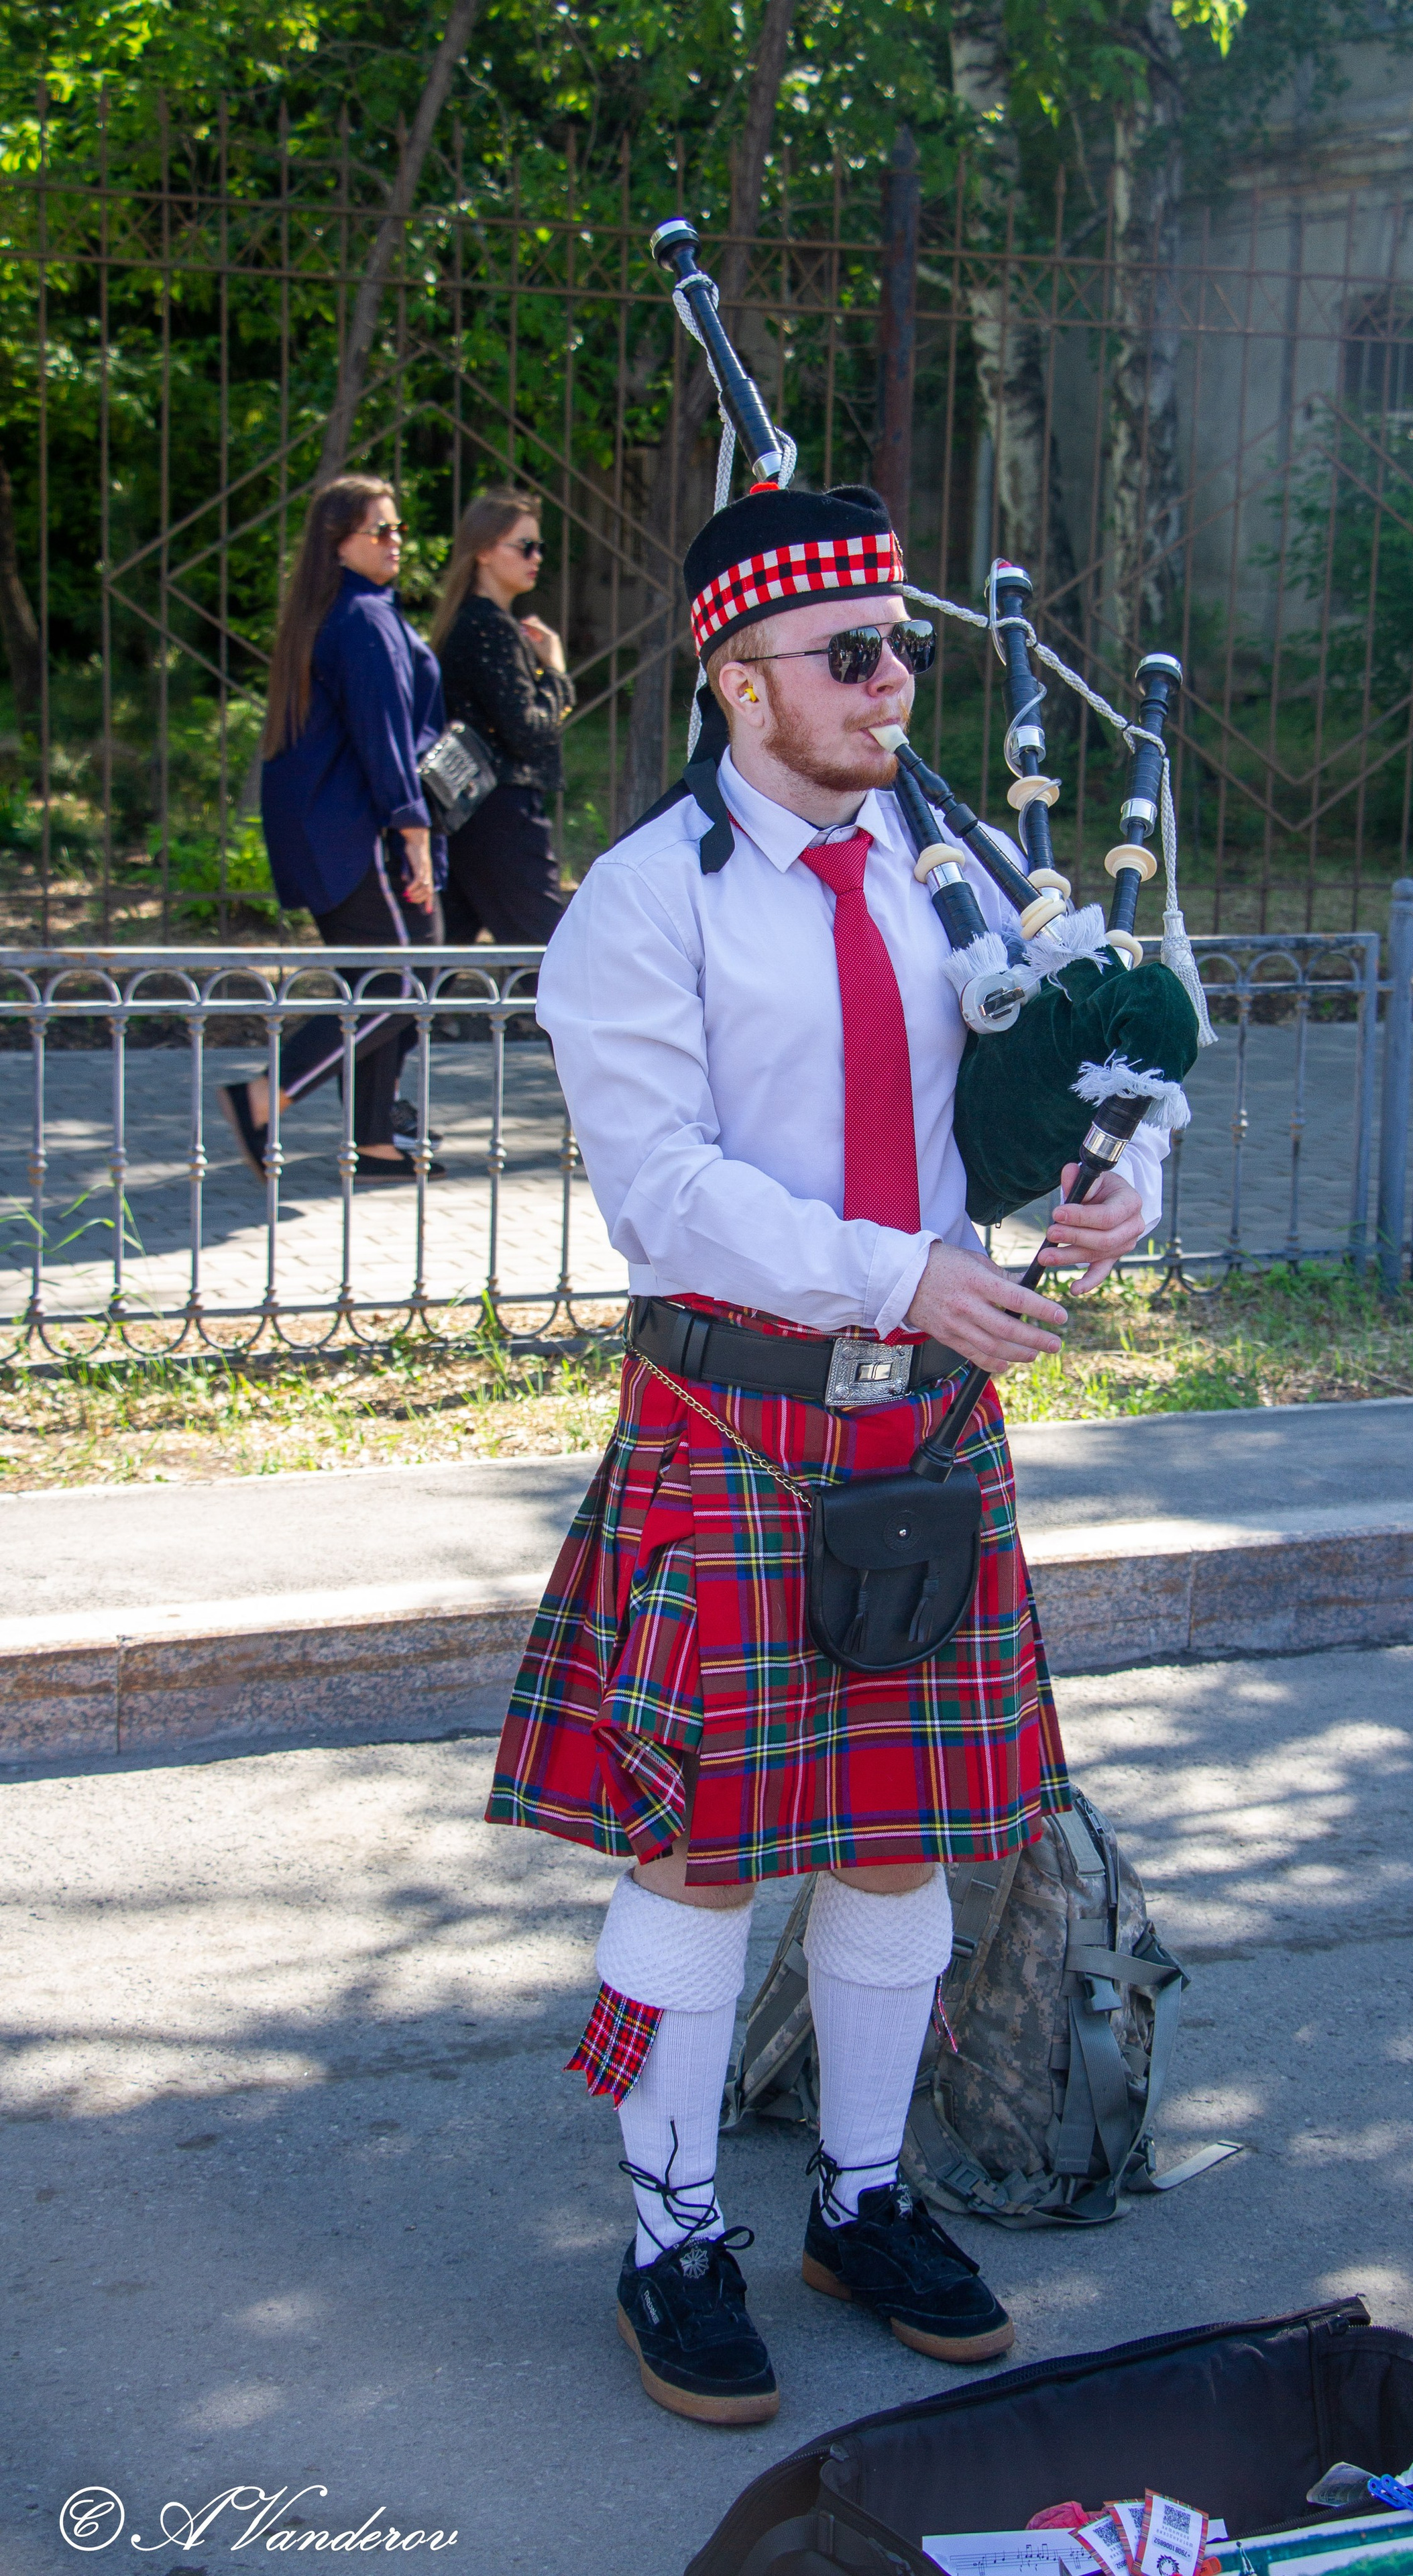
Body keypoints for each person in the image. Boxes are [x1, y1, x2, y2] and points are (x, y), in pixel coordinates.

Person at [484, 482, 1175, 2428]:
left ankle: (861, 2202)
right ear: (738, 678)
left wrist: (1119, 1180)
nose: (892, 686)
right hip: (736, 1414)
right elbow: (668, 1190)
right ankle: (671, 2231)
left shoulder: (956, 872)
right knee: (699, 1848)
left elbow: (1104, 1058)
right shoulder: (644, 905)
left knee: (898, 1833)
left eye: (904, 651)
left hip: (923, 1418)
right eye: (850, 654)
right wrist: (903, 1271)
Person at [226, 475, 447, 1185]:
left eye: (398, 528)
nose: (396, 541)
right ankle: (264, 1098)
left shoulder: (345, 612)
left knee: (376, 980)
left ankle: (373, 1143)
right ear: (338, 543)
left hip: (333, 834)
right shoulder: (363, 620)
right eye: (380, 530)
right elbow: (384, 739)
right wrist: (414, 832)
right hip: (360, 837)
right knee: (404, 982)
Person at [429, 486, 574, 946]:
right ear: (485, 552)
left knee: (435, 967)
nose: (537, 557)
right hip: (501, 815)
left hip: (470, 812)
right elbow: (527, 732)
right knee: (551, 960)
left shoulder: (468, 621)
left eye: (540, 547)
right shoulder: (490, 627)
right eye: (525, 546)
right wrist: (556, 674)